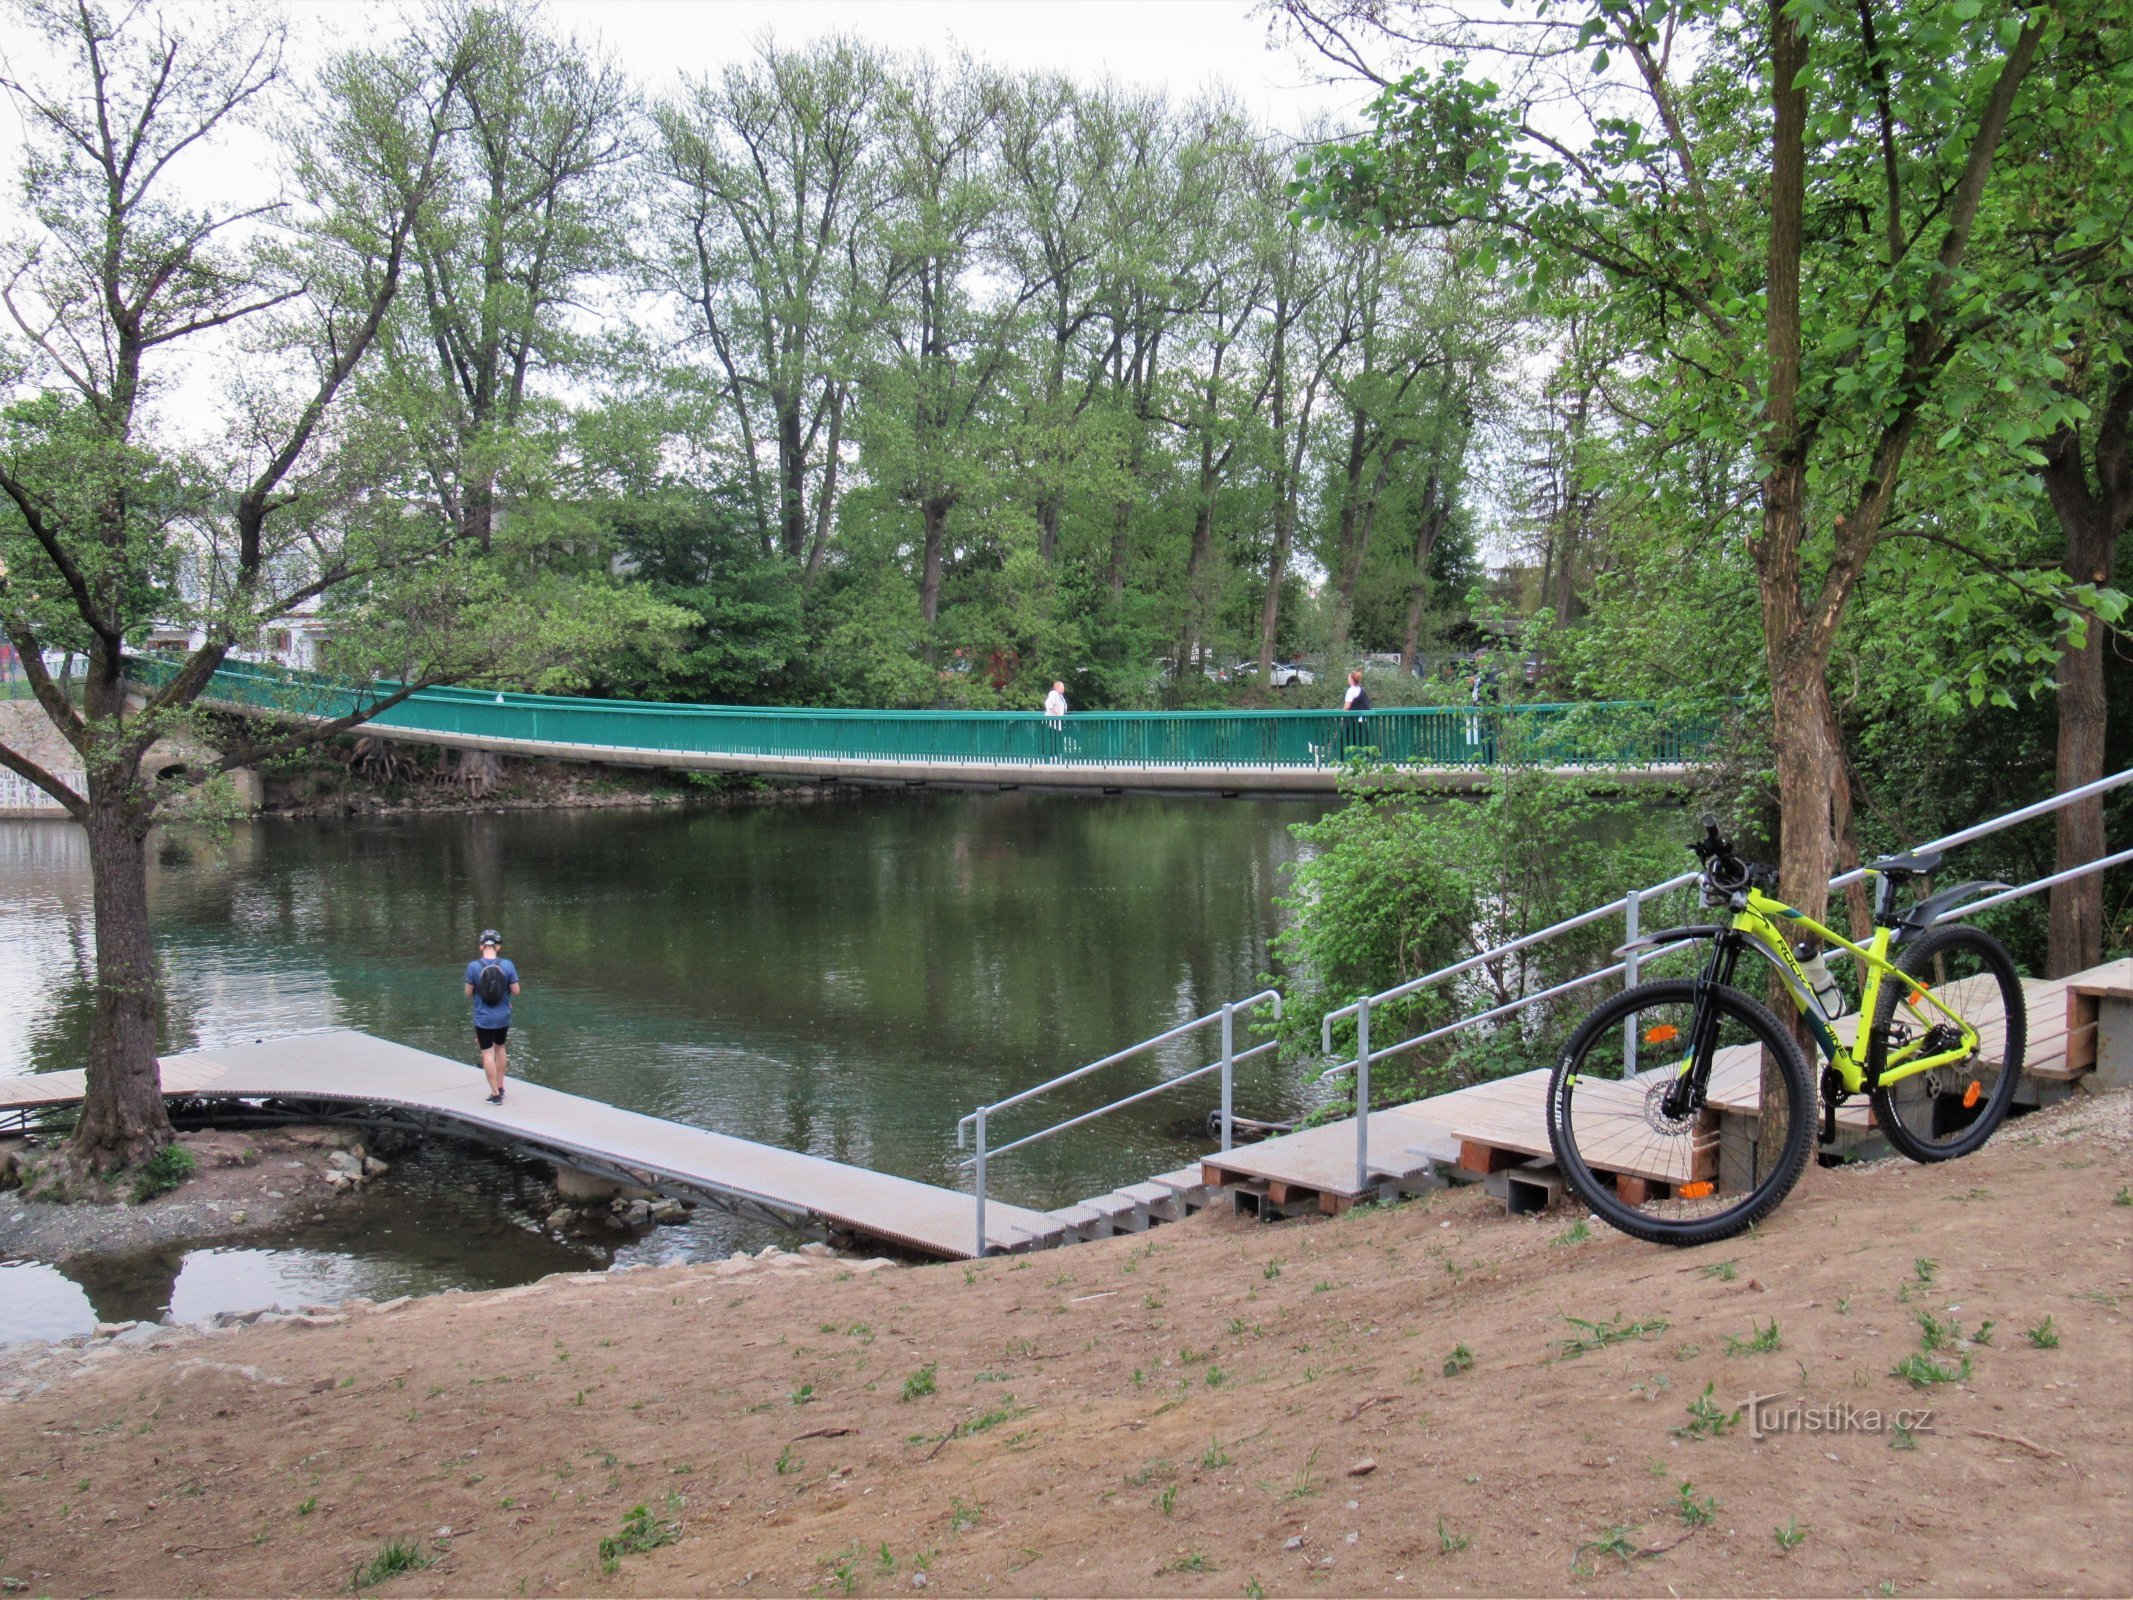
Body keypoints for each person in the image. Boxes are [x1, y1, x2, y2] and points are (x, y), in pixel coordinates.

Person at [464, 929, 521, 1105]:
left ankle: (495, 1094)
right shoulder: (508, 965)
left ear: (481, 946)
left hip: (483, 1017)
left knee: (487, 1054)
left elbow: (468, 993)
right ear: (498, 946)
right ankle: (501, 1085)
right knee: (501, 1048)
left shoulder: (473, 966)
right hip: (503, 1016)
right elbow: (516, 991)